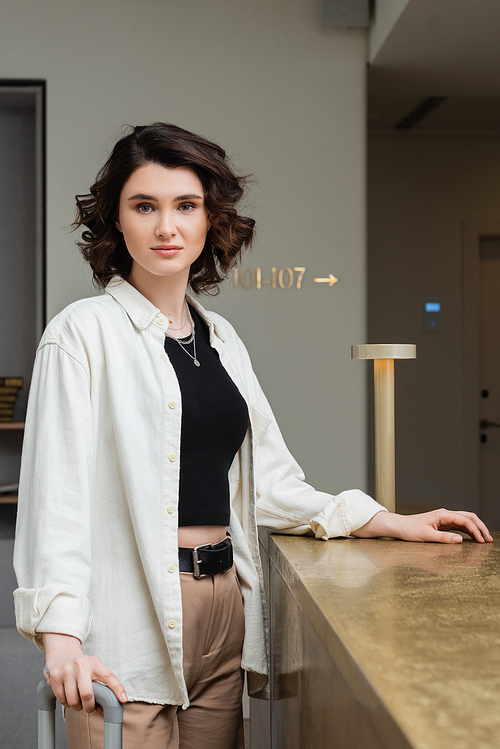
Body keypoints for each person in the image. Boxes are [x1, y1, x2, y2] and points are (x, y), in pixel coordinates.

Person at [13, 123, 492, 749]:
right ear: (117, 221)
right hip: (128, 614)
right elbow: (56, 500)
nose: (166, 227)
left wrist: (388, 520)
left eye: (186, 206)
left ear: (210, 220)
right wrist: (61, 641)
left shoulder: (222, 340)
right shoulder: (80, 335)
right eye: (144, 206)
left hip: (223, 609)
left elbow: (273, 484)